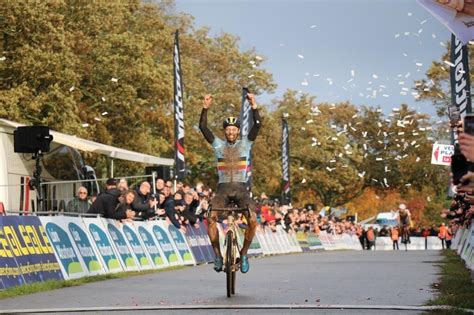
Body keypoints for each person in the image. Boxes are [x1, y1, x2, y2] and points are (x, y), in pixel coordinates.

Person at [199, 93, 261, 273]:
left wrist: (253, 105)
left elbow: (258, 125)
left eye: (234, 129)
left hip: (241, 190)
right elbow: (203, 127)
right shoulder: (218, 145)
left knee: (252, 220)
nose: (231, 132)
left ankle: (243, 254)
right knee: (210, 218)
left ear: (238, 131)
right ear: (225, 131)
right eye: (228, 129)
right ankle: (218, 255)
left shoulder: (246, 143)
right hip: (223, 190)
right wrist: (205, 107)